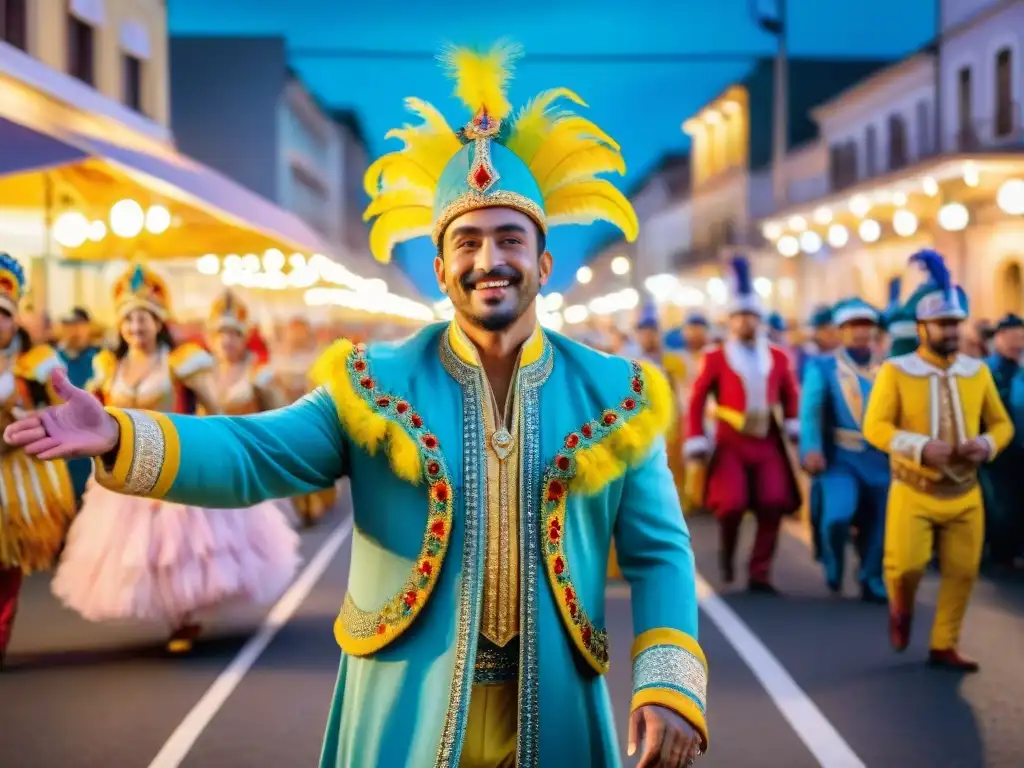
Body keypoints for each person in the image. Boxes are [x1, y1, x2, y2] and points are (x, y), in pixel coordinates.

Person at [6, 43, 707, 767]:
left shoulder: (615, 394)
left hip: (555, 707)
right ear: (440, 267)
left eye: (509, 240)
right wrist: (120, 433)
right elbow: (254, 454)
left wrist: (666, 682)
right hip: (407, 708)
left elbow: (659, 552)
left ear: (544, 262)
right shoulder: (374, 384)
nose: (489, 260)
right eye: (467, 242)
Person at [48, 265, 300, 654]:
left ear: (159, 322)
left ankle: (184, 619)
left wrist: (221, 450)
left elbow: (214, 410)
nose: (136, 326)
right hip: (125, 473)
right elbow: (92, 411)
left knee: (182, 546)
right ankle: (170, 614)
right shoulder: (107, 367)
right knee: (140, 551)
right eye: (129, 319)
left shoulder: (182, 361)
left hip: (175, 464)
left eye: (143, 318)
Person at [863, 250, 1013, 671]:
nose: (950, 331)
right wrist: (918, 445)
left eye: (955, 323)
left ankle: (944, 644)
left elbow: (1002, 425)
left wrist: (985, 444)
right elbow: (876, 427)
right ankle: (901, 606)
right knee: (907, 566)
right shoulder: (896, 370)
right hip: (914, 487)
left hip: (965, 490)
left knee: (963, 571)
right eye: (942, 324)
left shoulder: (976, 371)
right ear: (923, 327)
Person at [685, 256, 801, 593]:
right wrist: (696, 440)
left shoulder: (778, 357)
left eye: (752, 317)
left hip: (766, 441)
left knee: (773, 500)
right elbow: (696, 400)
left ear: (760, 321)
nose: (746, 323)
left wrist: (793, 425)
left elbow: (790, 394)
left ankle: (759, 572)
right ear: (731, 321)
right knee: (731, 503)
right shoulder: (716, 357)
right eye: (740, 318)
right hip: (730, 441)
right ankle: (728, 549)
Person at [0, 253, 75, 669]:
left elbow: (67, 412)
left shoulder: (37, 367)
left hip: (17, 483)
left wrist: (29, 420)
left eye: (2, 314)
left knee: (7, 566)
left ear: (15, 321)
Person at [800, 298, 889, 602]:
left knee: (881, 521)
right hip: (841, 457)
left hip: (881, 457)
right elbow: (810, 411)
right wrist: (811, 448)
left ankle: (870, 576)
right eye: (853, 327)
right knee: (837, 516)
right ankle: (832, 558)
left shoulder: (888, 367)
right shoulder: (823, 366)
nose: (860, 333)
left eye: (866, 326)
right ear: (840, 331)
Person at [980, 313, 1024, 569]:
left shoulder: (1021, 370)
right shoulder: (984, 370)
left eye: (1020, 336)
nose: (1016, 342)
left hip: (1019, 447)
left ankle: (1010, 548)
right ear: (998, 338)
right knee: (998, 502)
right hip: (993, 449)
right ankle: (999, 552)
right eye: (1011, 336)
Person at [56, 306, 101, 503]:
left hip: (93, 443)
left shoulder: (100, 359)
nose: (75, 331)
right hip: (61, 442)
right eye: (70, 325)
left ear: (89, 328)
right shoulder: (51, 359)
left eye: (80, 326)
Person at [794, 305, 839, 381]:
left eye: (831, 332)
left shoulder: (841, 354)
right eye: (823, 330)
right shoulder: (808, 355)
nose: (830, 336)